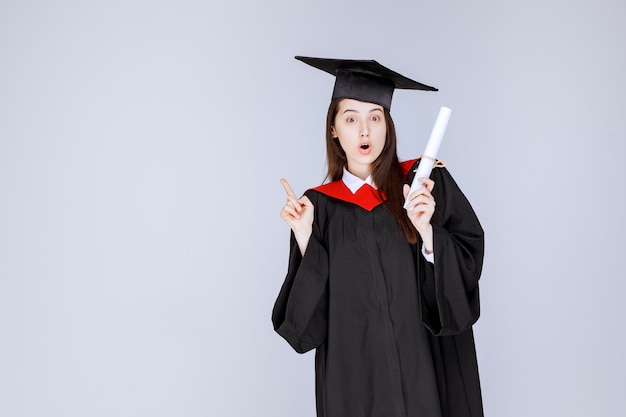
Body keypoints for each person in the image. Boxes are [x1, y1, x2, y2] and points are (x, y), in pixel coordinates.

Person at [272, 56, 485, 417]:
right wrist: (306, 237)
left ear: (388, 124)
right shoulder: (319, 209)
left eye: (375, 117)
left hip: (426, 377)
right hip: (357, 388)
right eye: (351, 119)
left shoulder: (424, 187)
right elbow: (306, 330)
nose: (365, 131)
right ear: (334, 130)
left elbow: (465, 272)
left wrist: (427, 232)